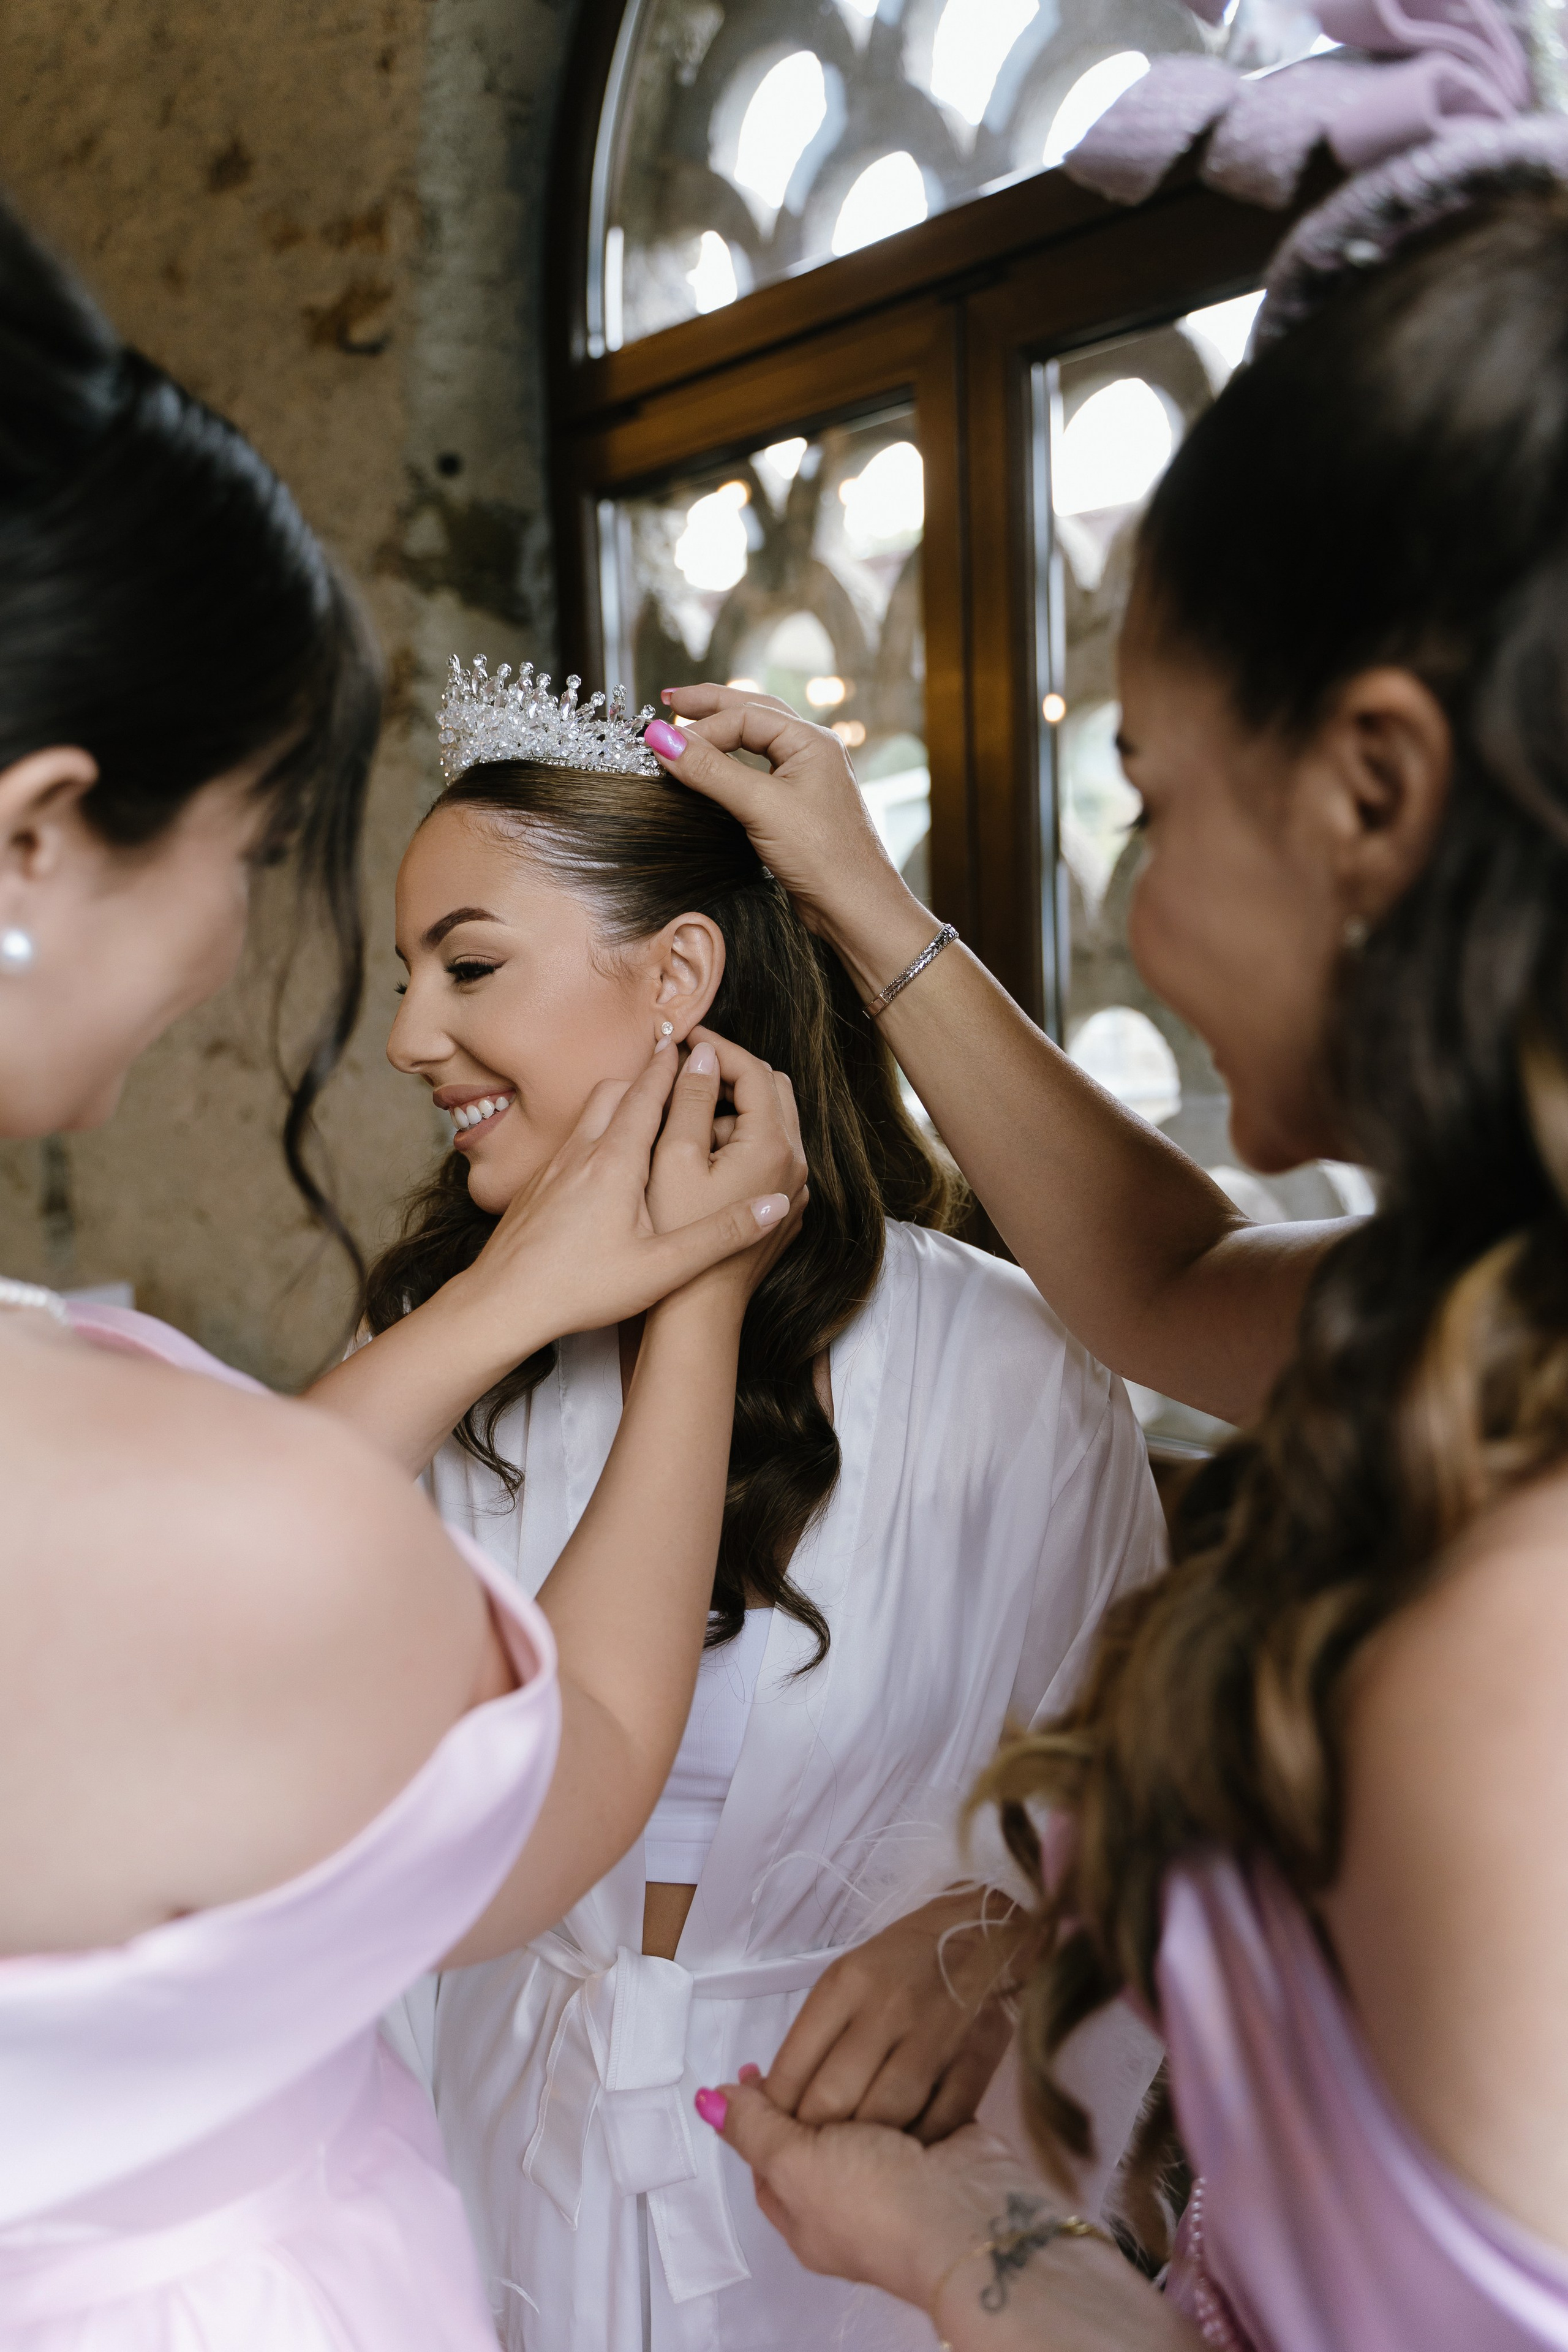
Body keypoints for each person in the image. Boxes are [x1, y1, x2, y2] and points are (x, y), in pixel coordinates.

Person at [649, 146, 1568, 2352]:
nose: (1136, 912)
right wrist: (866, 904)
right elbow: (1159, 1278)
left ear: (1375, 791)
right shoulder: (1470, 1320)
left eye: (1147, 799)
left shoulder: (1500, 1639)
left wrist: (971, 2263)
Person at [0, 194, 807, 2352]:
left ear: (683, 974)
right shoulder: (186, 1505)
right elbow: (583, 1759)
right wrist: (690, 1302)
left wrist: (518, 1304)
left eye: (469, 965)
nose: (377, 1023)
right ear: (37, 833)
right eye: (260, 851)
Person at [306, 666, 1167, 2352]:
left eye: (467, 967)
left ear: (680, 976)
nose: (409, 1036)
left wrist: (1005, 1928)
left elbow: (1139, 1786)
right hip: (503, 2174)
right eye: (409, 977)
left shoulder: (1000, 1364)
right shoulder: (436, 1363)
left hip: (860, 2216)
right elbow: (298, 1742)